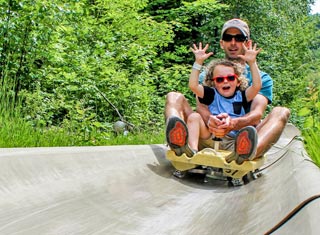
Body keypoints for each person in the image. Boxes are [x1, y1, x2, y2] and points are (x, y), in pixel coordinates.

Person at [165, 18, 290, 162]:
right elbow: (201, 107)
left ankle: (245, 154)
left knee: (281, 112)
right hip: (208, 135)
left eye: (239, 38)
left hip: (239, 139)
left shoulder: (261, 78)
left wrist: (232, 124)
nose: (233, 43)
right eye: (228, 38)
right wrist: (213, 122)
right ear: (222, 43)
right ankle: (182, 148)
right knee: (174, 97)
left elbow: (256, 114)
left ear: (247, 43)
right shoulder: (209, 75)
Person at [186, 41, 261, 163]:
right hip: (211, 137)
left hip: (233, 140)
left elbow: (257, 86)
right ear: (214, 83)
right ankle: (192, 152)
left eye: (230, 78)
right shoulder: (211, 93)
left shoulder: (242, 95)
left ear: (238, 81)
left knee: (250, 130)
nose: (225, 82)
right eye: (220, 80)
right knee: (194, 117)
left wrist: (252, 62)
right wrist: (198, 62)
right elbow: (193, 86)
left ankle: (240, 155)